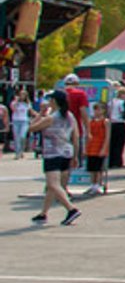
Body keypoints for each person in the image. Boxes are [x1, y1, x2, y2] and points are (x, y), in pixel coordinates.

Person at [29, 92, 82, 224]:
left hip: (53, 153)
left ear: (54, 101)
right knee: (53, 186)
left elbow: (31, 128)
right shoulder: (70, 116)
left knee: (53, 184)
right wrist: (75, 155)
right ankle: (44, 213)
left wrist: (40, 114)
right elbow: (76, 137)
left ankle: (71, 209)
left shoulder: (51, 118)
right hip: (66, 152)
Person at [82, 99, 110, 196]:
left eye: (98, 110)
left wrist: (104, 148)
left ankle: (98, 185)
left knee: (99, 168)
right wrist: (85, 148)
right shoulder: (91, 121)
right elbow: (88, 135)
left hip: (100, 146)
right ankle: (92, 185)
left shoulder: (105, 121)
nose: (96, 112)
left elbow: (107, 136)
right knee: (91, 168)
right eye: (95, 110)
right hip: (91, 147)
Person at [108, 85, 125, 170]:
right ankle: (118, 161)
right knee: (119, 144)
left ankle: (110, 161)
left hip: (111, 123)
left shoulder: (111, 102)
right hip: (120, 123)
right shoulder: (121, 103)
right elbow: (123, 113)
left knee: (111, 144)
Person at [9, 90, 30, 159]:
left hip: (24, 121)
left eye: (23, 95)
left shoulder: (27, 103)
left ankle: (21, 151)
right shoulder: (14, 102)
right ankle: (17, 153)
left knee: (22, 136)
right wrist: (16, 101)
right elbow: (13, 109)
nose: (22, 96)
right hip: (16, 121)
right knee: (16, 137)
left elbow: (30, 110)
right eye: (21, 94)